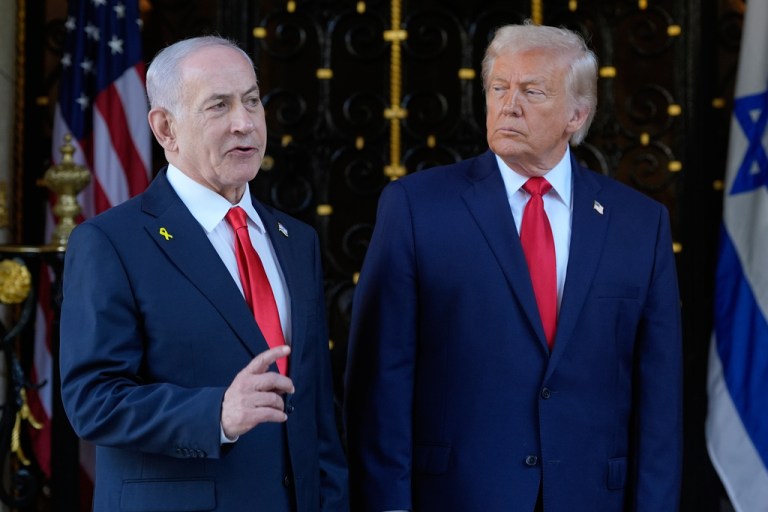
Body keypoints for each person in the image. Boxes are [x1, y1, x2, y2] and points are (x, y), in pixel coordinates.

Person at [344, 21, 682, 512]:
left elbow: (660, 396)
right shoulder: (416, 207)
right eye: (498, 88)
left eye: (532, 91)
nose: (509, 104)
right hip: (456, 495)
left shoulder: (640, 224)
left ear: (576, 113)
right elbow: (380, 382)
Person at [59, 36, 348, 512]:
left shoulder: (296, 240)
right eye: (219, 105)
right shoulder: (112, 242)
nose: (245, 123)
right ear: (165, 127)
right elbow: (93, 401)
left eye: (252, 101)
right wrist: (215, 414)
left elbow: (316, 409)